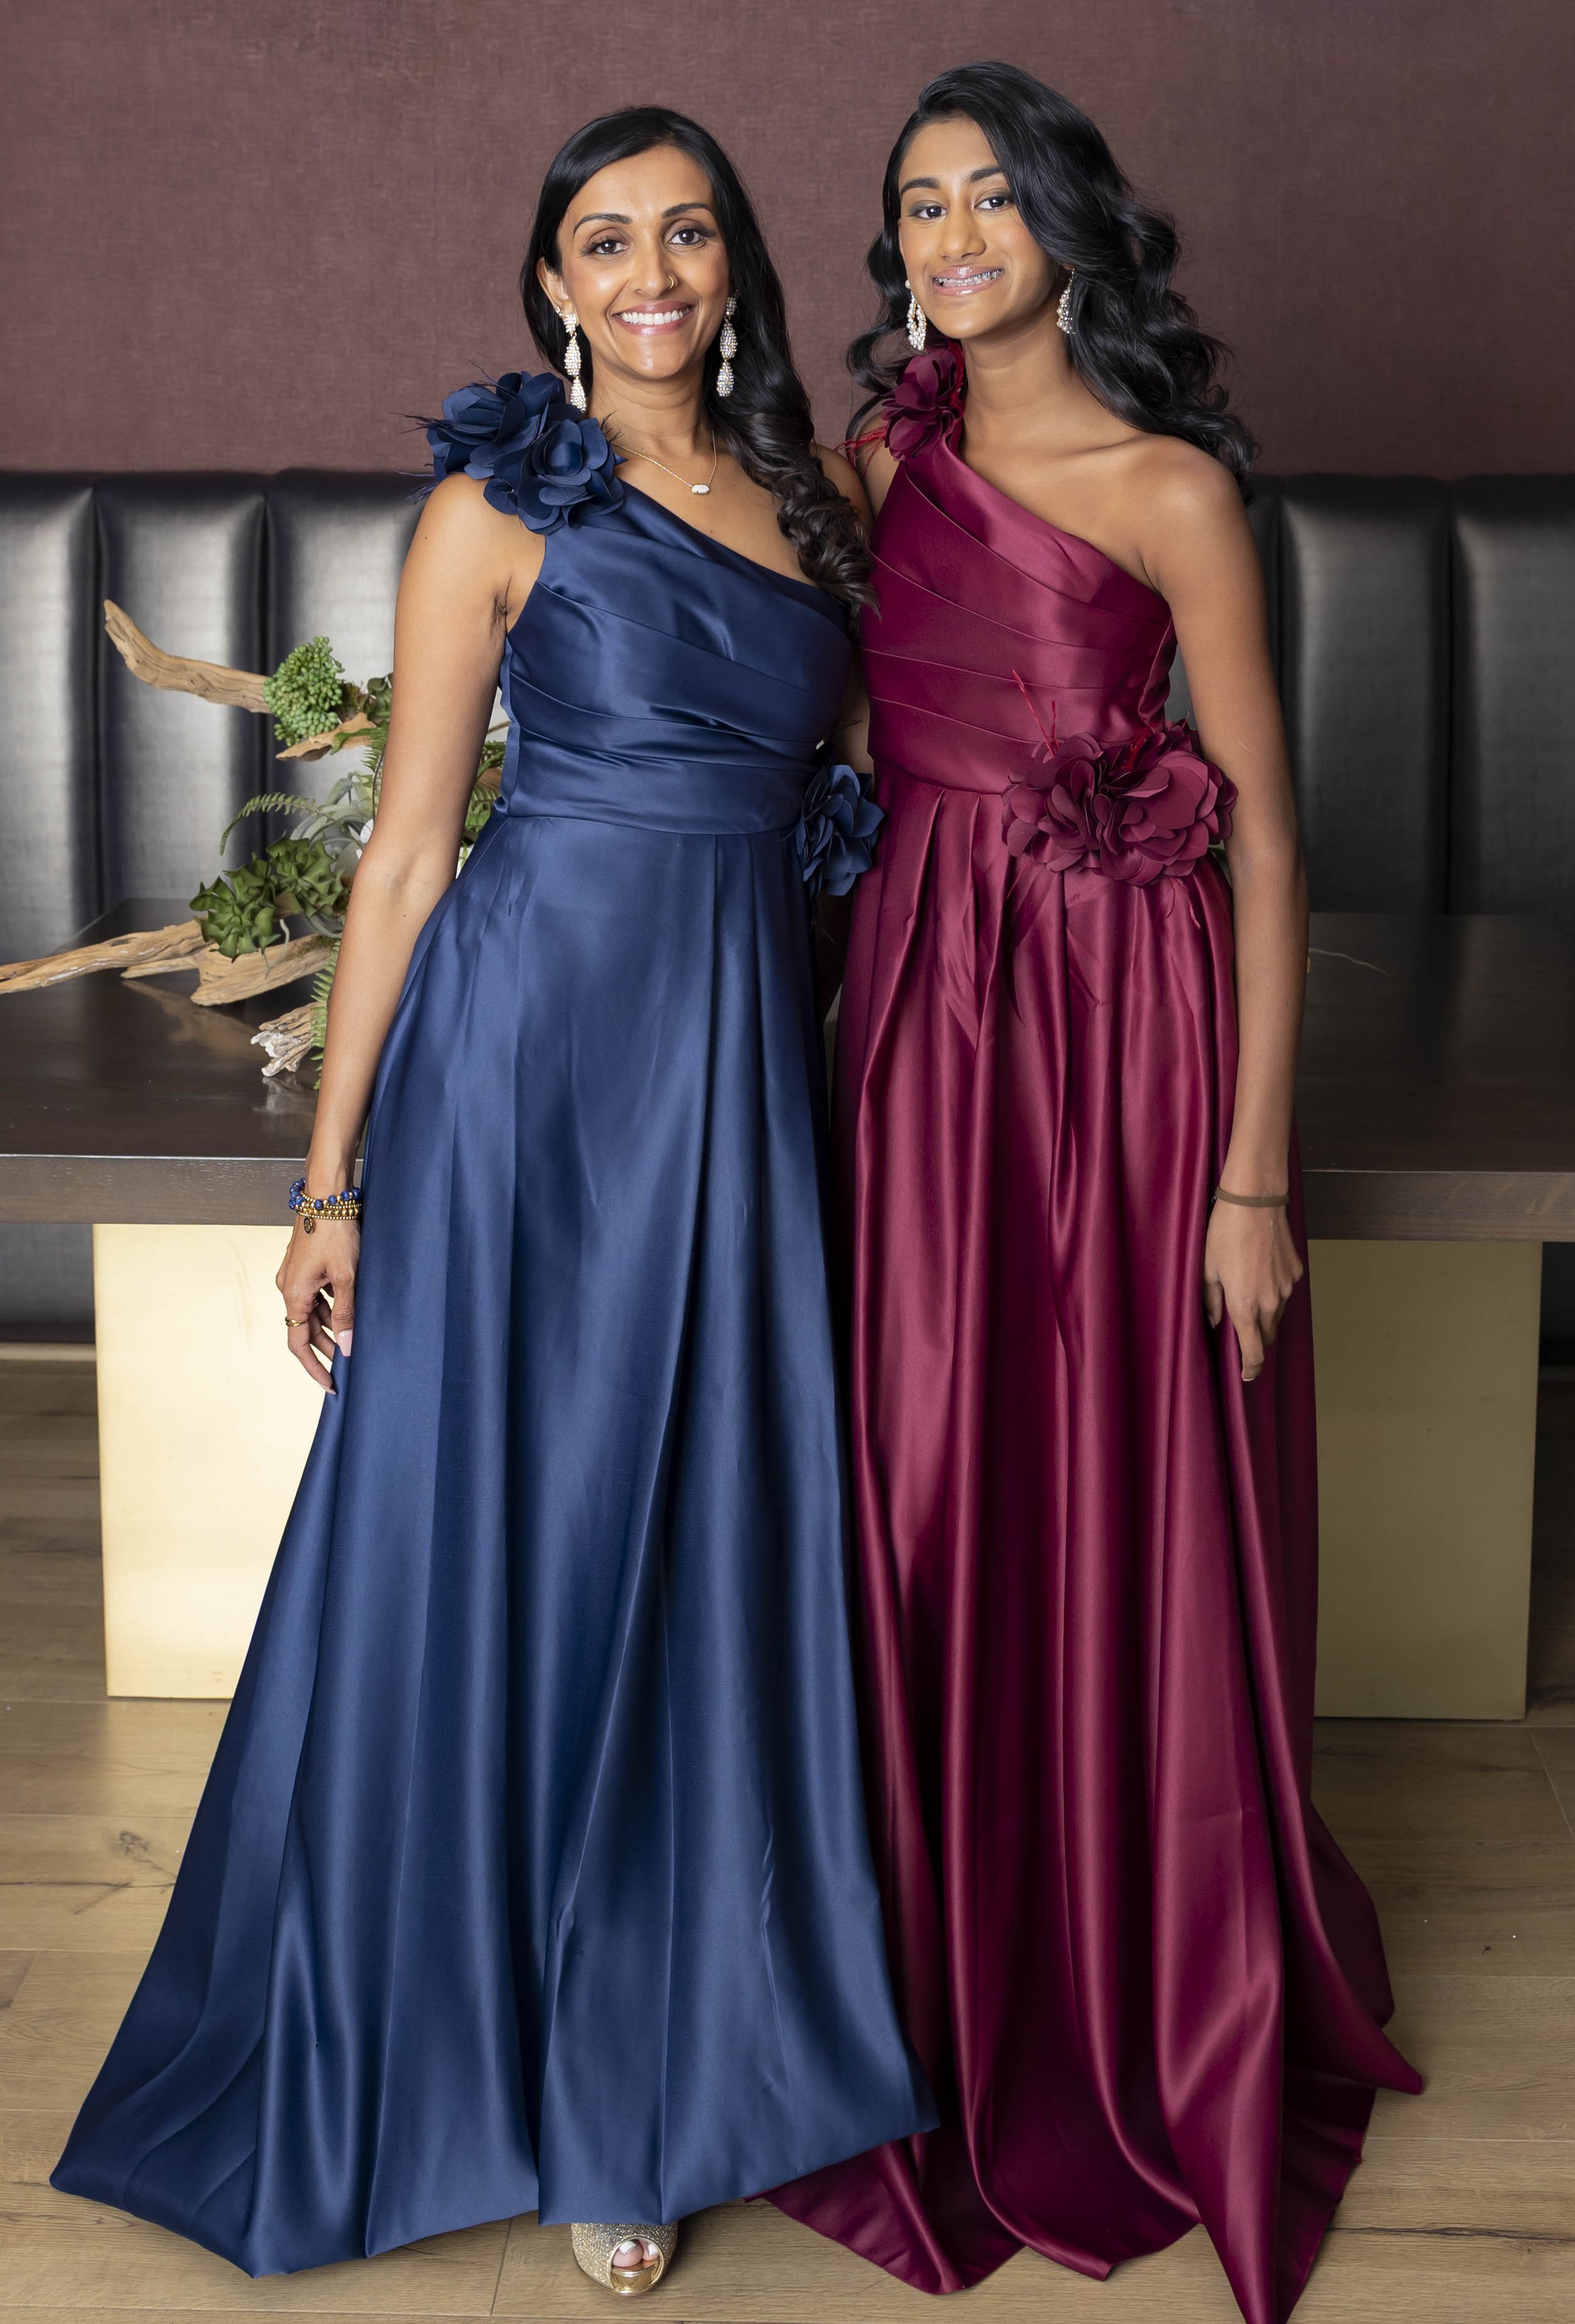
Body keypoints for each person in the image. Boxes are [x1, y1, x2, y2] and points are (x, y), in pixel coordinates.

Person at [52, 105, 932, 2296]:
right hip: (525, 1077)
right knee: (513, 1540)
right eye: (605, 239)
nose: (651, 272)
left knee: (695, 1548)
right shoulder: (490, 510)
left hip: (735, 1082)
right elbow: (408, 855)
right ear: (553, 281)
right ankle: (490, 2056)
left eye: (690, 233)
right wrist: (333, 1175)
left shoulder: (822, 509)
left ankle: (642, 2070)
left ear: (734, 271)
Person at [769, 62, 1418, 2324]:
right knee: (926, 1479)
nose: (944, 237)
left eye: (980, 198)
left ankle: (1143, 1970)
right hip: (926, 1020)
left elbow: (1261, 828)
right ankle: (927, 1978)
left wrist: (1248, 1174)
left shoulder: (1169, 489)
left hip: (1136, 1045)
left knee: (1125, 1481)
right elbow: (821, 731)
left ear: (1062, 220)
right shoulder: (870, 469)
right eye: (911, 205)